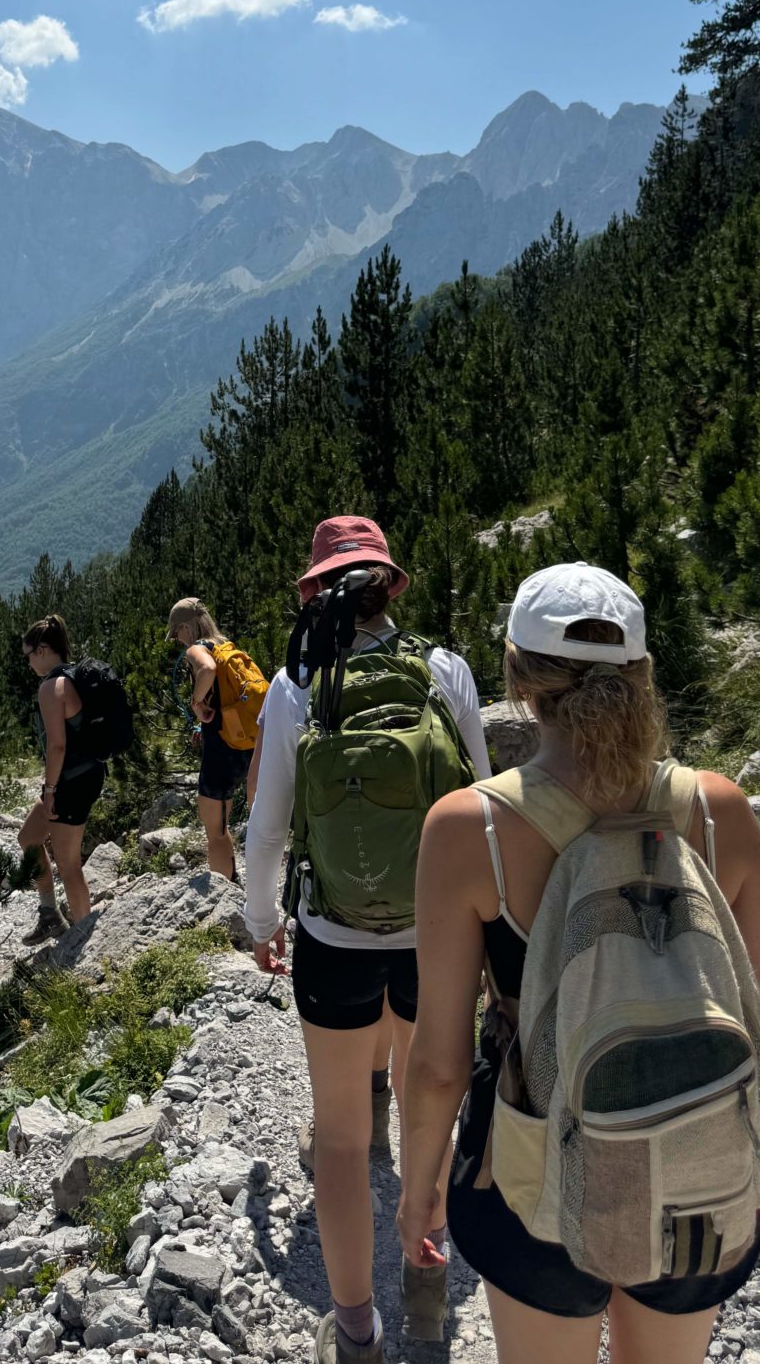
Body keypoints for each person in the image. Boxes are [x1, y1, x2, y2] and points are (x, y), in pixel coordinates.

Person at [398, 562, 760, 1364]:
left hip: (531, 1165)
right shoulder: (719, 810)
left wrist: (420, 1190)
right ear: (644, 677)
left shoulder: (467, 830)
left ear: (517, 678)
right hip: (699, 1156)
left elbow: (439, 1063)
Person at [243, 516, 490, 1364]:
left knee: (343, 1137)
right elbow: (483, 808)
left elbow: (269, 831)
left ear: (315, 592)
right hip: (436, 939)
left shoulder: (295, 683)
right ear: (389, 585)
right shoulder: (444, 669)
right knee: (434, 1114)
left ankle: (355, 1331)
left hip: (332, 936)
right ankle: (427, 1296)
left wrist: (262, 922)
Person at [166, 597, 265, 881]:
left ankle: (225, 890)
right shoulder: (227, 646)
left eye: (176, 633)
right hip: (247, 741)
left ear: (186, 627)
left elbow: (207, 670)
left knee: (216, 831)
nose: (177, 640)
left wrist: (196, 703)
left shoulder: (197, 649)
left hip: (222, 748)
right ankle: (243, 880)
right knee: (242, 822)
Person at [18, 614, 103, 942]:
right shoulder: (73, 676)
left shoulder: (51, 688)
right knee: (28, 838)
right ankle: (50, 913)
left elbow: (56, 745)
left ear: (42, 650)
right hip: (84, 773)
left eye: (28, 656)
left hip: (71, 780)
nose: (27, 663)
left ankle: (83, 941)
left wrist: (50, 789)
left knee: (68, 865)